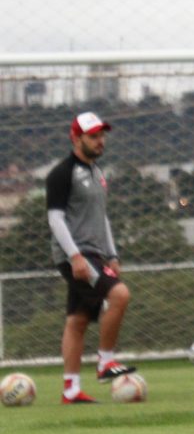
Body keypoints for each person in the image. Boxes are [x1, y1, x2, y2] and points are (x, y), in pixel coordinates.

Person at [46, 111, 136, 404]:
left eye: (102, 135)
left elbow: (102, 217)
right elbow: (56, 220)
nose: (100, 141)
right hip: (77, 255)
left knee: (77, 321)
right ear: (76, 138)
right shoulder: (62, 173)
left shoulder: (98, 173)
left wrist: (112, 253)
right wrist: (74, 257)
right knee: (120, 295)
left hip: (96, 254)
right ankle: (105, 362)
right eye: (93, 136)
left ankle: (70, 390)